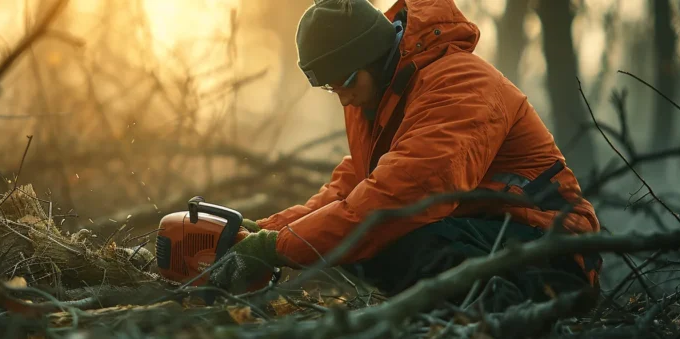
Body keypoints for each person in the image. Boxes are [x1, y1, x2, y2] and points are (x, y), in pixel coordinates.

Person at [208, 0, 602, 311]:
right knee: (360, 242)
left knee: (392, 240)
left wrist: (275, 249)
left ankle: (496, 328)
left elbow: (390, 201)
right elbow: (348, 191)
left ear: (372, 55)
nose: (341, 95)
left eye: (344, 81)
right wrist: (266, 231)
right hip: (484, 234)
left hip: (553, 253)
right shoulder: (384, 99)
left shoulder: (459, 85)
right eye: (329, 87)